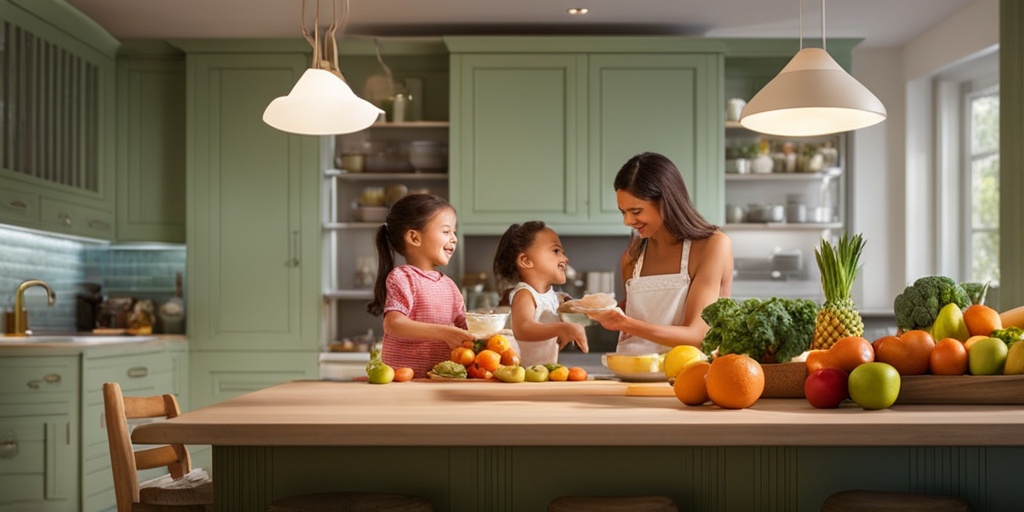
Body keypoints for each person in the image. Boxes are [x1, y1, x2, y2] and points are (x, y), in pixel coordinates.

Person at [587, 152, 733, 355]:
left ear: (666, 201)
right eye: (623, 212)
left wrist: (627, 324)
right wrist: (596, 310)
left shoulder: (712, 246)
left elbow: (699, 336)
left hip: (688, 379)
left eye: (636, 211)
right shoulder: (633, 256)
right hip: (630, 376)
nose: (627, 221)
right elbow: (636, 314)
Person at [367, 193, 474, 377]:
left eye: (454, 232)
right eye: (446, 231)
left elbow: (465, 327)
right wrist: (444, 333)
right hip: (405, 382)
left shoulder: (449, 286)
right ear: (414, 238)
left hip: (441, 380)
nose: (454, 238)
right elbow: (394, 323)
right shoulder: (402, 277)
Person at [493, 221, 589, 366]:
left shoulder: (553, 296)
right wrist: (563, 328)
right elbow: (523, 328)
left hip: (544, 371)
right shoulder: (525, 294)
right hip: (523, 375)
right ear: (526, 260)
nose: (565, 258)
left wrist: (569, 309)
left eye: (563, 252)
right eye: (556, 251)